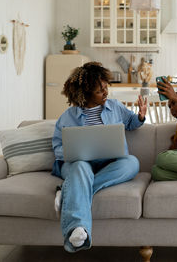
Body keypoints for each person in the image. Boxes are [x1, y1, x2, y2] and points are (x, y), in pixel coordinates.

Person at [51, 62, 147, 252]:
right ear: (85, 94)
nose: (105, 93)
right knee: (80, 168)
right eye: (99, 91)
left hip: (108, 164)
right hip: (79, 165)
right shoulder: (68, 116)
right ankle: (77, 229)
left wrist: (140, 117)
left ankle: (69, 191)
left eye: (106, 88)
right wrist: (76, 152)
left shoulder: (115, 106)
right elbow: (57, 147)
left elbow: (131, 122)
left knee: (132, 162)